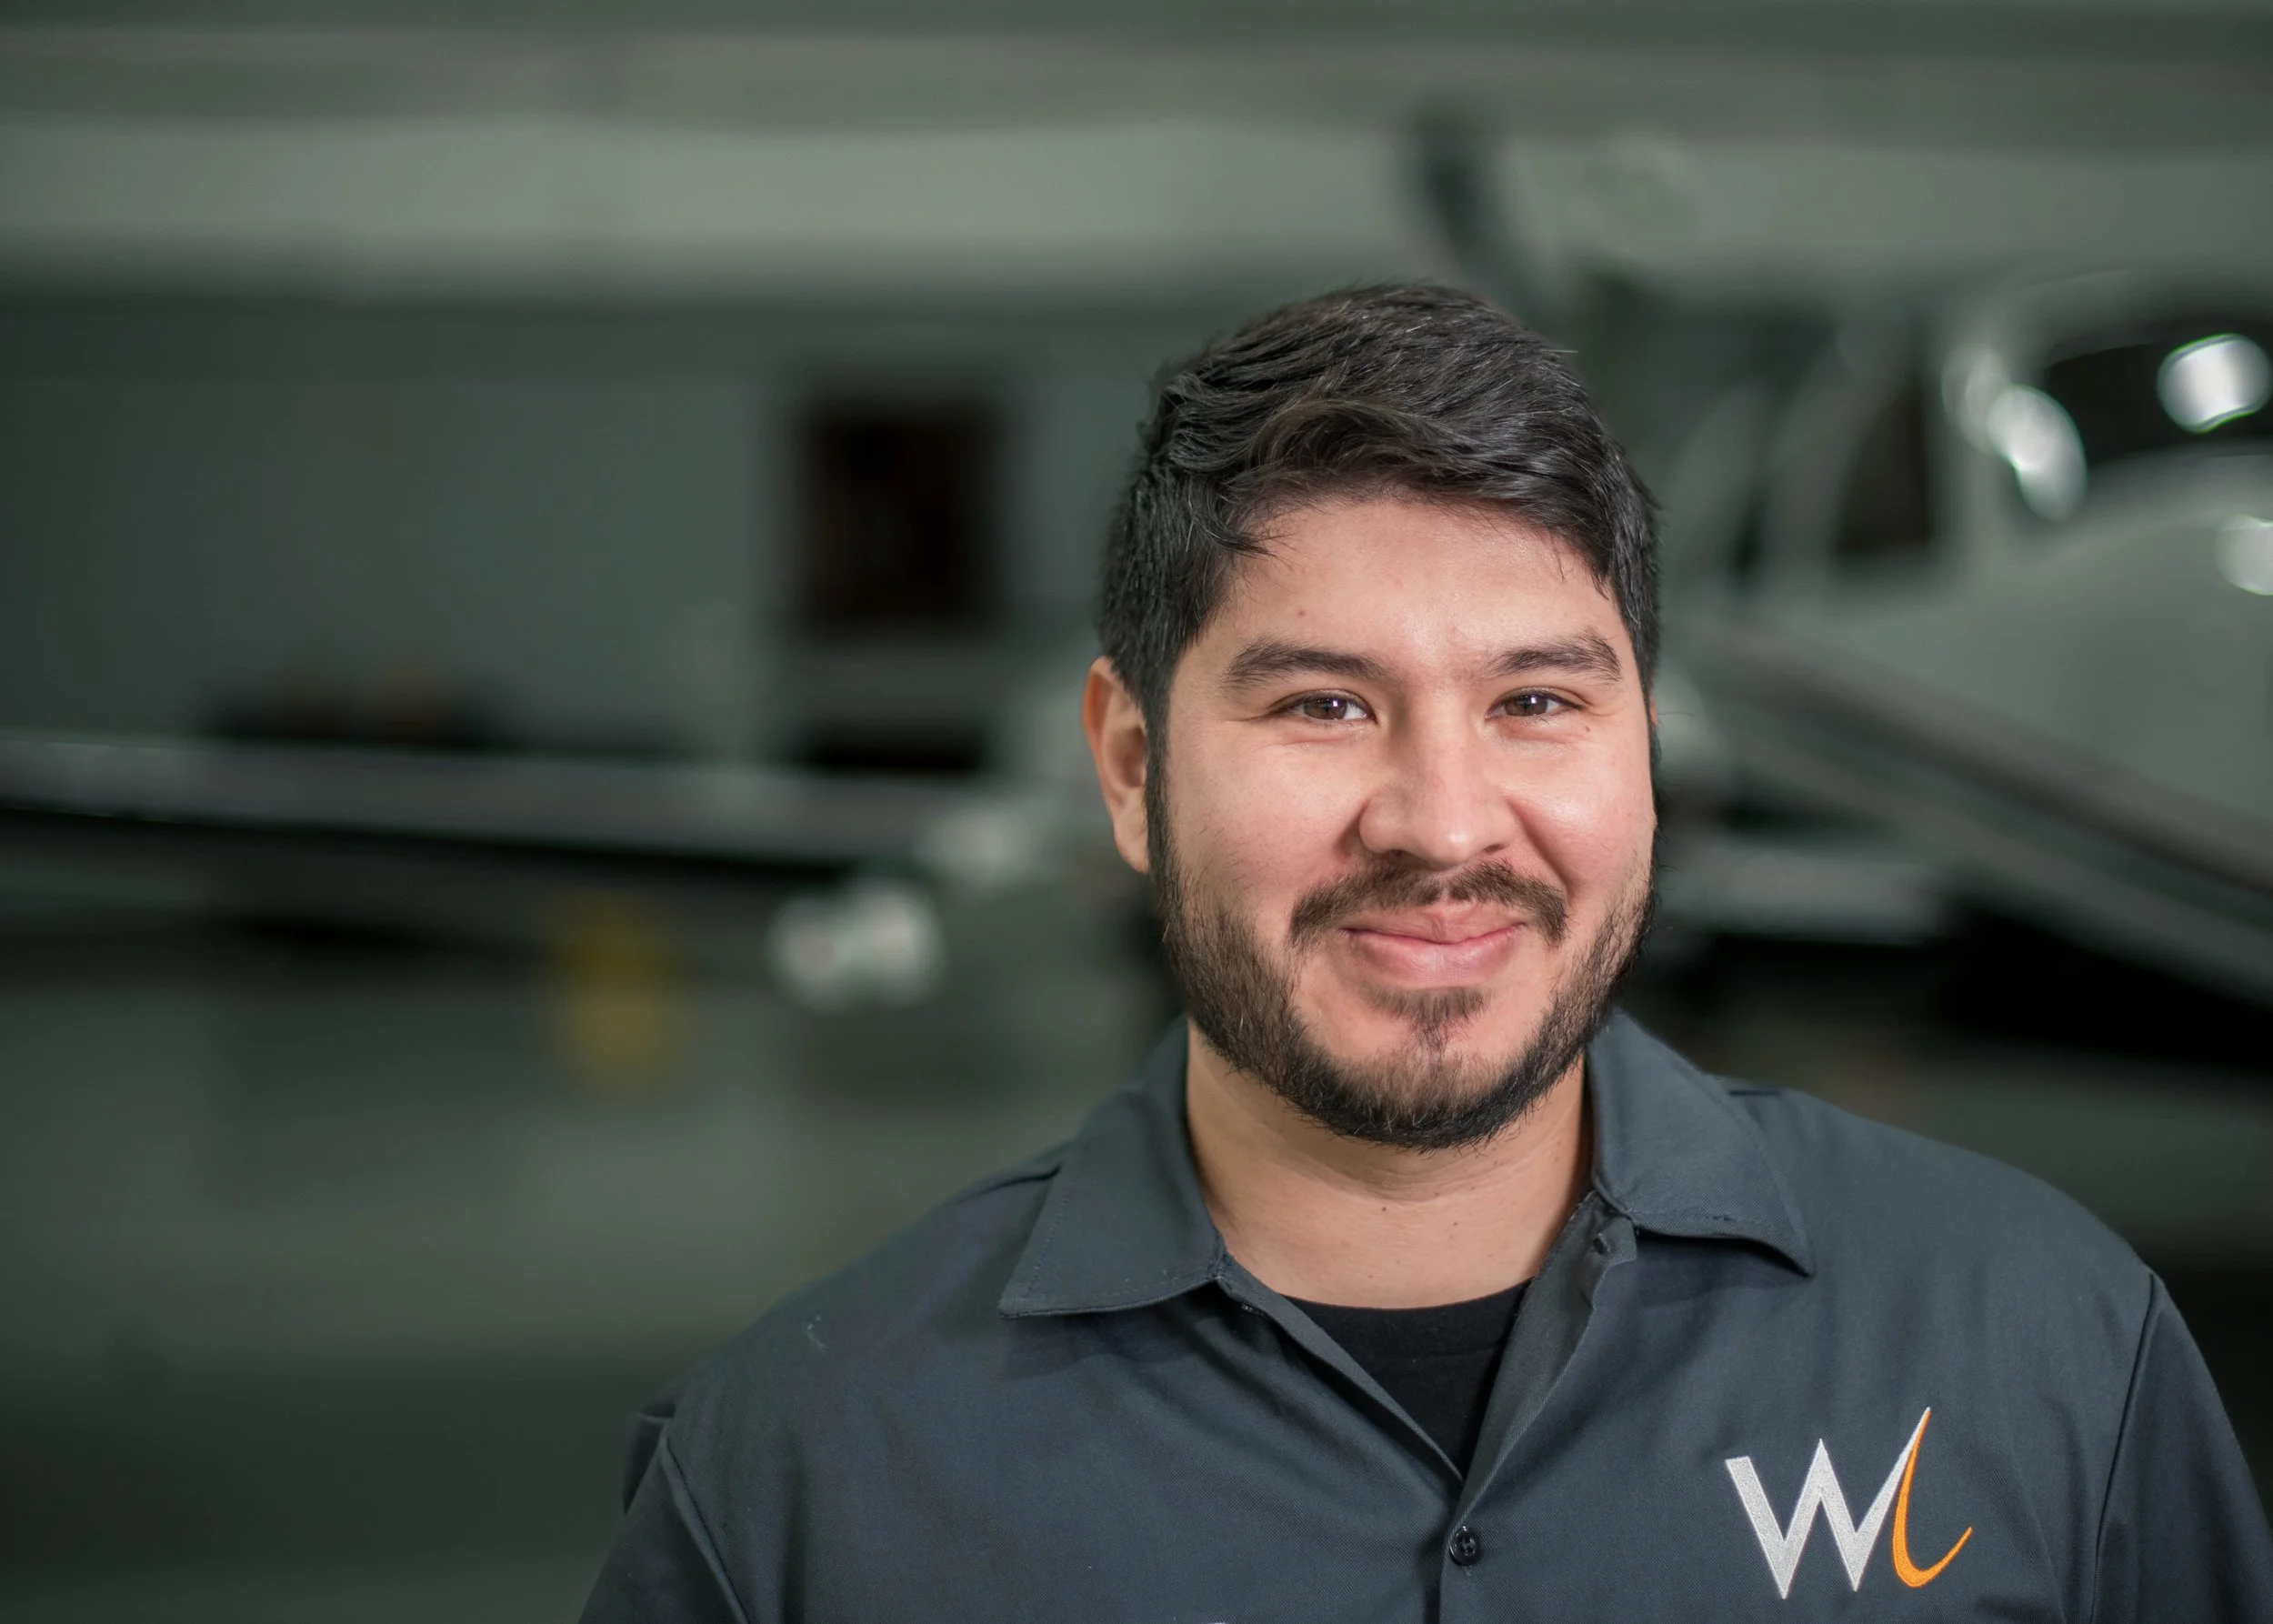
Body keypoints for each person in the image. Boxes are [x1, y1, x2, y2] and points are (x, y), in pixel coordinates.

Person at [581, 286, 2272, 1621]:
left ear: (1648, 750)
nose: (1446, 825)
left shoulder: (2057, 1347)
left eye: (1536, 699)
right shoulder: (793, 1478)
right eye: (1325, 704)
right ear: (1130, 766)